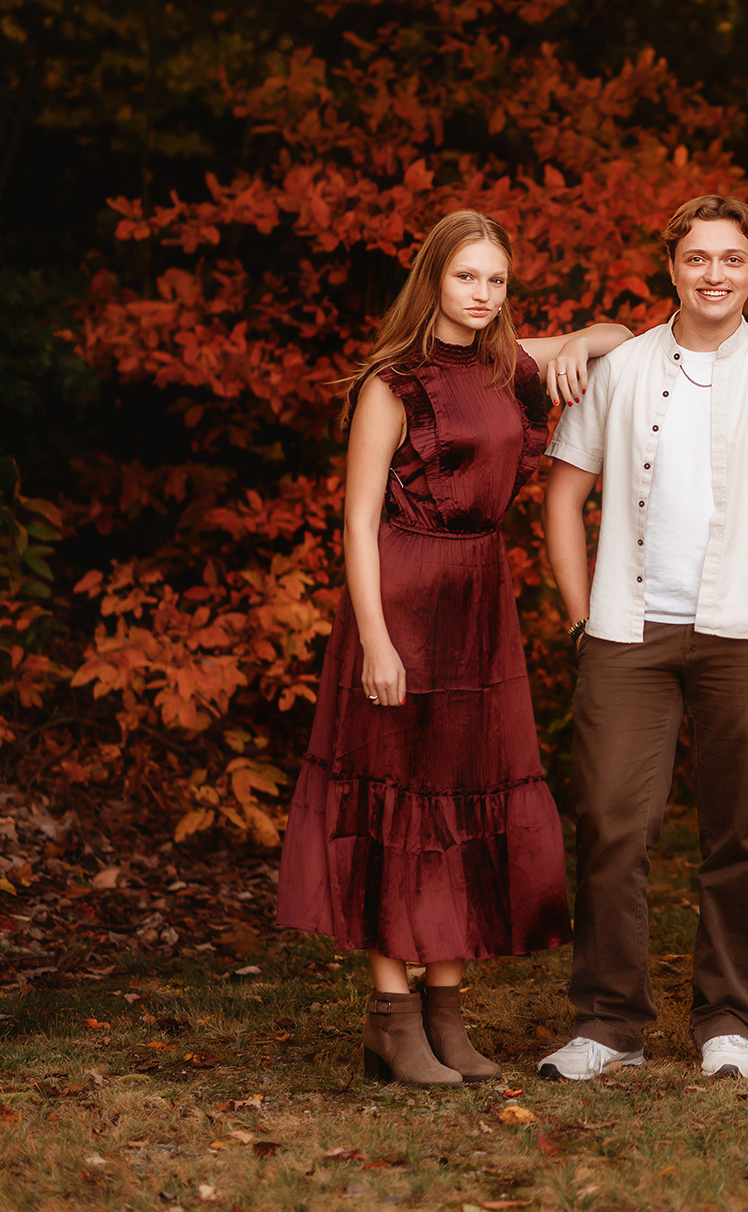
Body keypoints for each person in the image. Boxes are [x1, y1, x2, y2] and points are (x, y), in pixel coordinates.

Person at [278, 209, 630, 1087]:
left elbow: (622, 337)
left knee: (465, 793)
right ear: (433, 277)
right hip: (401, 593)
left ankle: (447, 1013)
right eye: (467, 277)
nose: (482, 294)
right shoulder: (391, 385)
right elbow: (357, 522)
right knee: (396, 801)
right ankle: (392, 1019)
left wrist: (578, 336)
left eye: (497, 280)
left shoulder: (505, 362)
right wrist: (376, 641)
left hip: (480, 596)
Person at [536, 195, 748, 1084]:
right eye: (698, 258)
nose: (715, 274)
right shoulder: (622, 369)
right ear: (671, 267)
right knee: (611, 825)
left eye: (732, 259)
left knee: (736, 835)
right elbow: (562, 494)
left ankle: (726, 1019)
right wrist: (583, 613)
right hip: (627, 630)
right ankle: (610, 1021)